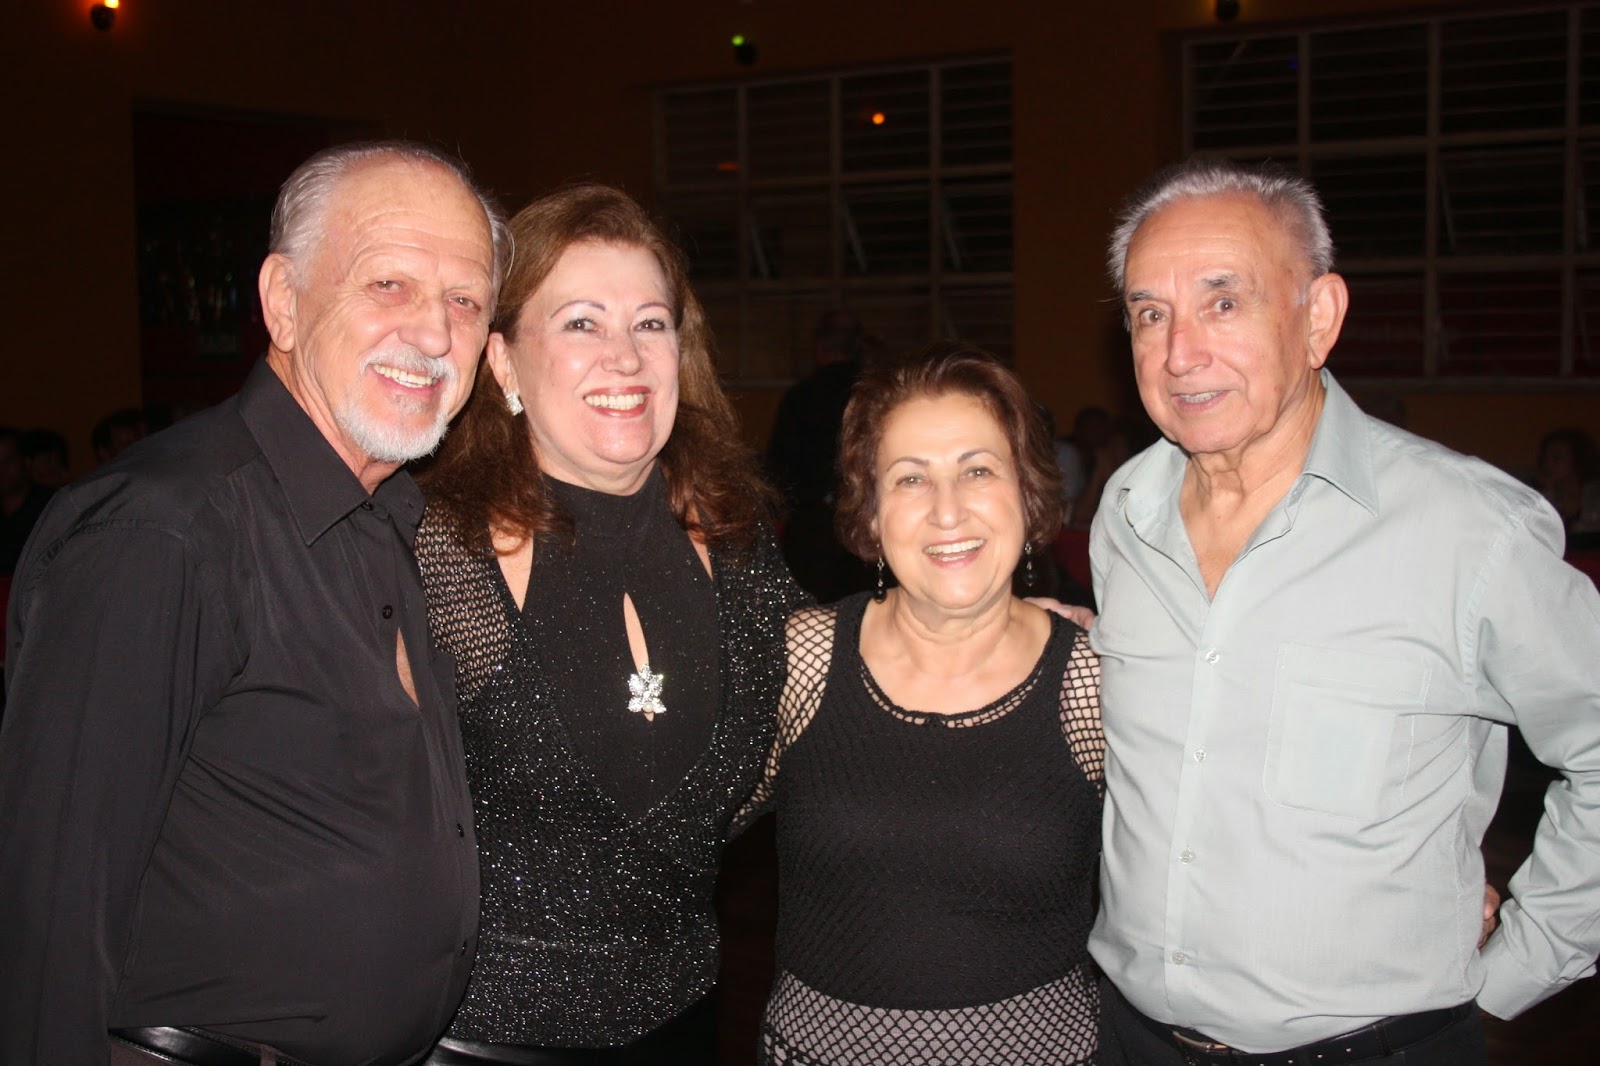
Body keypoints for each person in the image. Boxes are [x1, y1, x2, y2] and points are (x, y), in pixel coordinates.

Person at [0, 140, 509, 1066]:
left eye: (465, 301)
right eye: (388, 284)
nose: (435, 334)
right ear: (282, 301)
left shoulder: (389, 514)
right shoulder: (166, 531)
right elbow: (50, 907)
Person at [1090, 158, 1600, 1065]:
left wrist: (1517, 969)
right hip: (1132, 1039)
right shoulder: (1123, 515)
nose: (1179, 354)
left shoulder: (1467, 530)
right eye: (1150, 313)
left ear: (1319, 317)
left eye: (1223, 302)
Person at [416, 184, 807, 1064]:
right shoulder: (437, 553)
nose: (624, 357)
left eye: (650, 323)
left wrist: (991, 630)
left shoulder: (738, 540)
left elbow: (830, 688)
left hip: (688, 1019)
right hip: (472, 1040)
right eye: (582, 323)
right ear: (504, 362)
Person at [744, 344, 1104, 1065]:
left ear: (1029, 494)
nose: (947, 511)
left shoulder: (1095, 681)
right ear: (871, 513)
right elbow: (678, 825)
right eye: (911, 478)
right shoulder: (802, 659)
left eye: (978, 470)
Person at [767, 308, 878, 601]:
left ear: (819, 347)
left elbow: (778, 470)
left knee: (813, 614)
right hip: (868, 527)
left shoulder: (800, 397)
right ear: (858, 346)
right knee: (866, 611)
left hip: (812, 530)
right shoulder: (875, 397)